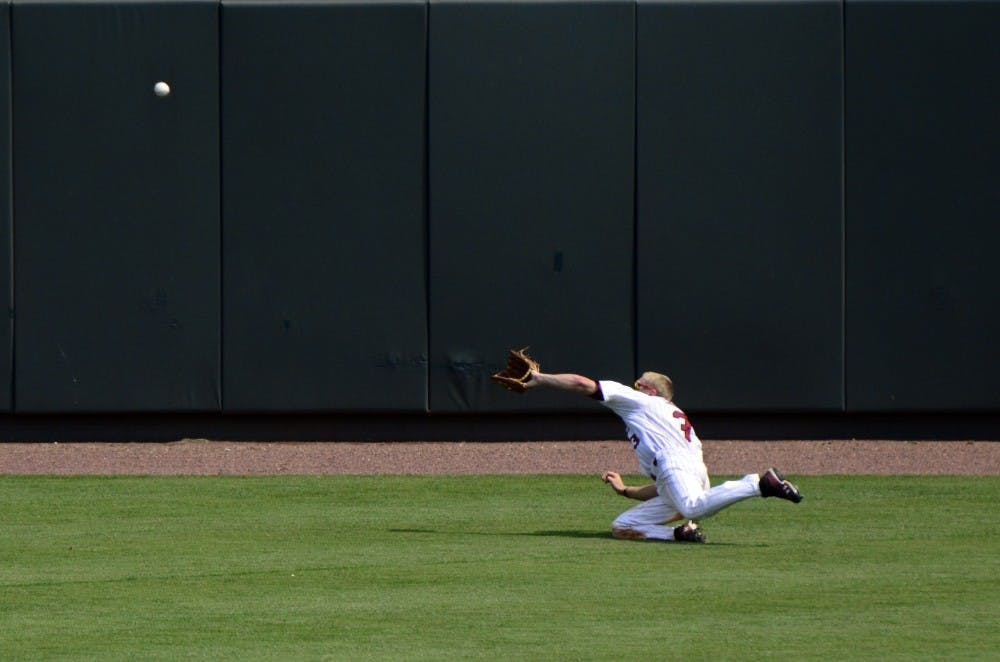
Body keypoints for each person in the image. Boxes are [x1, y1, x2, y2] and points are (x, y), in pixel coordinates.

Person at [522, 368, 802, 543]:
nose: (634, 386)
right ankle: (680, 534)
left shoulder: (641, 402)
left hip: (675, 465)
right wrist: (625, 490)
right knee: (623, 526)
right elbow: (665, 486)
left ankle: (759, 483)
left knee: (692, 507)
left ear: (649, 390)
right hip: (687, 470)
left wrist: (541, 379)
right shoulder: (669, 416)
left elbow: (584, 385)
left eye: (638, 382)